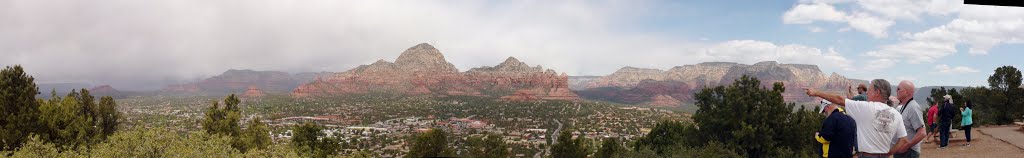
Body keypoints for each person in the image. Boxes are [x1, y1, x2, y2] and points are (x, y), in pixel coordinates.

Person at [806, 79, 909, 158]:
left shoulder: (865, 107)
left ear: (877, 92)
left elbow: (839, 100)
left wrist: (816, 92)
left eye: (869, 90)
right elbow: (903, 139)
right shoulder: (896, 114)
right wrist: (888, 153)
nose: (867, 93)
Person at [891, 81, 926, 158]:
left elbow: (922, 132)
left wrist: (906, 146)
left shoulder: (913, 107)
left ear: (906, 92)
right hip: (902, 151)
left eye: (898, 89)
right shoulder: (905, 106)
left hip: (908, 152)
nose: (896, 91)